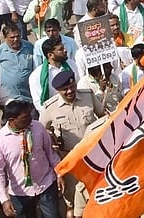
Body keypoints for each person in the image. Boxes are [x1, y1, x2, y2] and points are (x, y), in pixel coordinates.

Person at [39, 70, 103, 216]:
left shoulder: (88, 96)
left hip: (94, 156)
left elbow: (102, 116)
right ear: (57, 90)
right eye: (64, 90)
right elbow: (41, 131)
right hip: (70, 159)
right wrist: (51, 139)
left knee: (96, 194)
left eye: (72, 87)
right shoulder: (50, 108)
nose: (69, 91)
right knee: (74, 201)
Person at [0, 101, 62, 218]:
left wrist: (59, 173)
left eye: (30, 115)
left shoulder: (38, 127)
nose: (30, 119)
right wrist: (4, 199)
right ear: (12, 120)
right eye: (25, 117)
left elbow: (50, 153)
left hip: (46, 184)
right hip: (20, 193)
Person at [0, 25, 36, 103]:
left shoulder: (29, 47)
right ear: (5, 37)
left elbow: (36, 68)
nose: (16, 39)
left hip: (30, 97)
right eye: (12, 37)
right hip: (9, 99)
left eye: (18, 36)